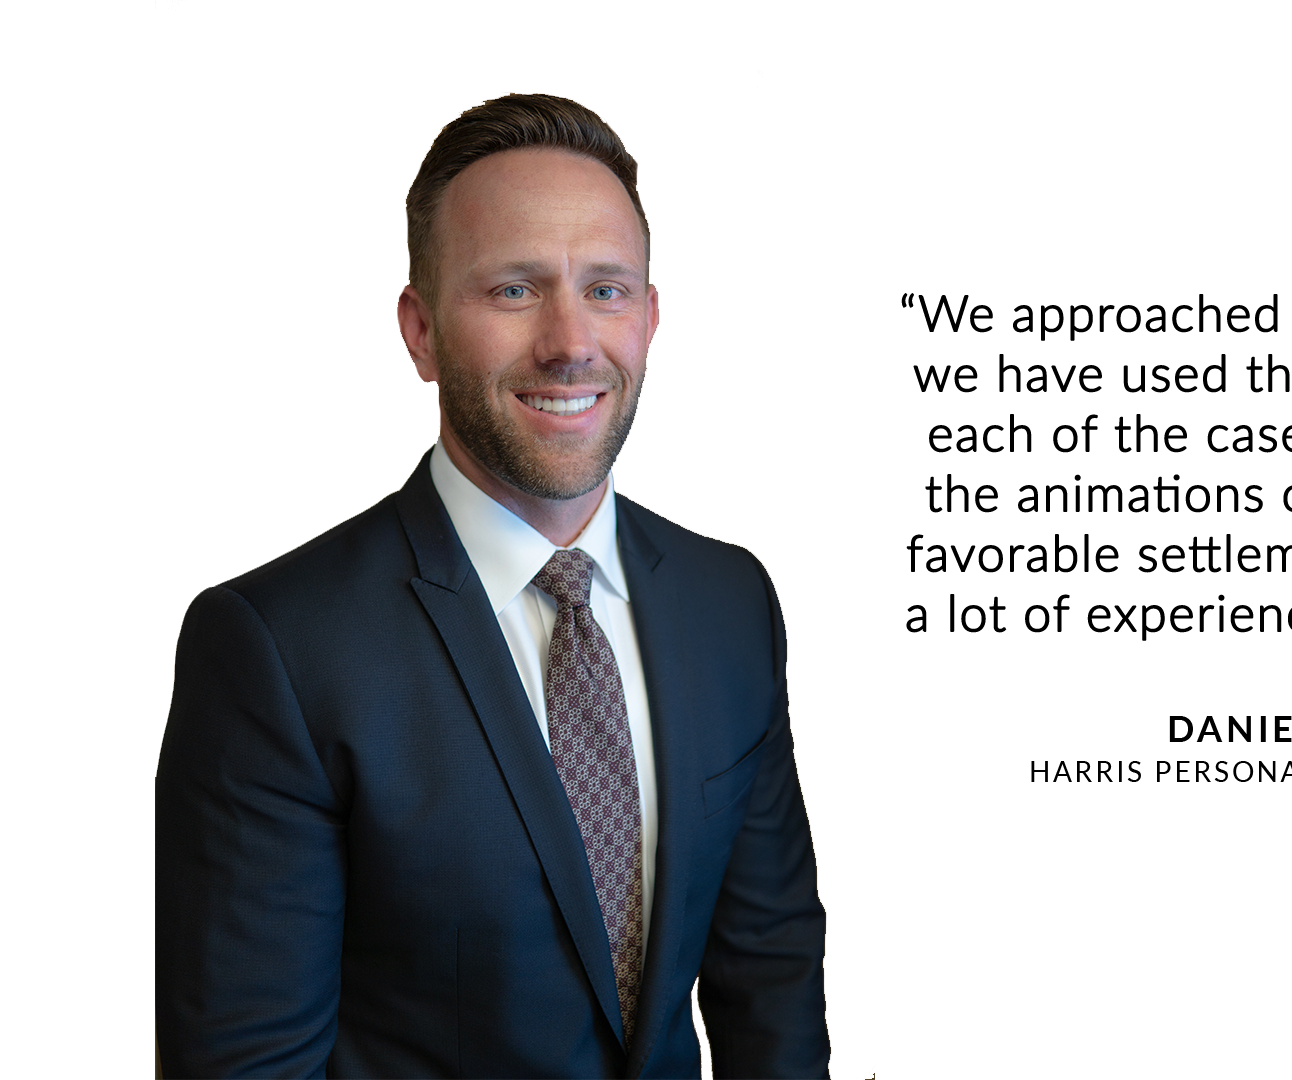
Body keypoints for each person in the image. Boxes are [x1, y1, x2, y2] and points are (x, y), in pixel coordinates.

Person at [155, 92, 829, 1080]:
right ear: (420, 331)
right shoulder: (279, 650)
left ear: (651, 317)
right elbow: (245, 1064)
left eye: (606, 289)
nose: (571, 340)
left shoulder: (731, 602)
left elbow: (770, 980)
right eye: (514, 290)